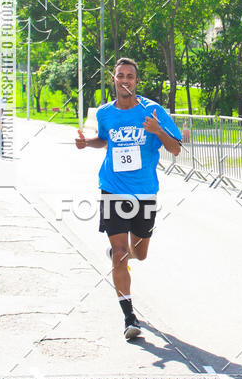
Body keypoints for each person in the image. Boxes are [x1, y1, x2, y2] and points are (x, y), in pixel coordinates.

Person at [75, 58, 182, 340]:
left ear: (137, 80)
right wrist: (88, 142)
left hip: (145, 191)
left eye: (130, 76)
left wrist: (158, 130)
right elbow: (104, 139)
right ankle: (129, 317)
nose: (125, 80)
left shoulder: (153, 110)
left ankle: (119, 256)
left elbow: (177, 148)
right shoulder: (105, 113)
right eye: (120, 75)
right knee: (120, 253)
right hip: (112, 188)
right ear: (114, 79)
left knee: (140, 253)